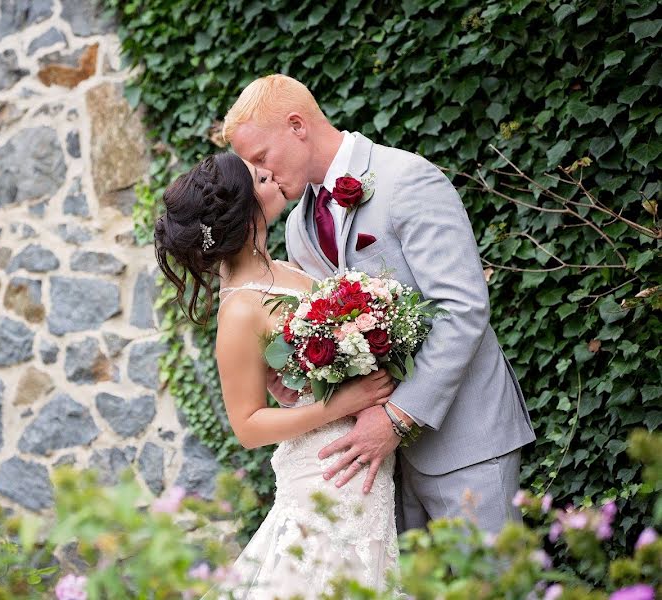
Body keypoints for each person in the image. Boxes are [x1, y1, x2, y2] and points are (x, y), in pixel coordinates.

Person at [223, 74, 536, 535]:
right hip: (378, 468)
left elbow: (462, 307)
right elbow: (333, 329)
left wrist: (396, 417)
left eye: (260, 157)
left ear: (297, 125)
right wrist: (300, 377)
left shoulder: (406, 179)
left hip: (465, 439)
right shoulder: (298, 228)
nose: (259, 176)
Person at [155, 152, 400, 596]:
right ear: (242, 212)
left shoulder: (287, 269)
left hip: (358, 456)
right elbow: (248, 426)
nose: (272, 175)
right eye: (259, 178)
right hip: (325, 470)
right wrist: (339, 403)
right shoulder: (240, 309)